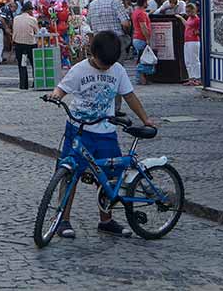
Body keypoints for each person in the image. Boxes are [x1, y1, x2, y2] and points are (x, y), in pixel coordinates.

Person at [46, 31, 156, 239]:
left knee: (108, 178)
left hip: (106, 132)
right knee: (69, 175)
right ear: (93, 52)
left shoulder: (118, 70)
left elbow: (129, 95)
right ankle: (62, 219)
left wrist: (145, 119)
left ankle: (106, 220)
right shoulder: (79, 70)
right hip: (78, 131)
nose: (106, 68)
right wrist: (55, 96)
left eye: (109, 64)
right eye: (102, 63)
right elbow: (62, 88)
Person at [13, 2, 39, 90]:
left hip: (18, 44)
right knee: (34, 64)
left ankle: (23, 84)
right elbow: (37, 32)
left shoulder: (16, 18)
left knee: (21, 65)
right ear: (29, 10)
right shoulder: (33, 19)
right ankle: (36, 82)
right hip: (30, 44)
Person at [131, 0, 152, 85]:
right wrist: (148, 38)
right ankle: (141, 79)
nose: (147, 4)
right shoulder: (142, 13)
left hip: (136, 37)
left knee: (139, 59)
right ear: (144, 3)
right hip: (141, 38)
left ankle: (139, 78)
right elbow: (143, 27)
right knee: (143, 60)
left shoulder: (136, 12)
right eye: (146, 2)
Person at [179, 3, 202, 86]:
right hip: (187, 41)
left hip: (193, 41)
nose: (188, 13)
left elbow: (200, 29)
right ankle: (191, 78)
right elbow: (187, 25)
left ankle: (198, 78)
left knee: (194, 60)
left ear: (194, 10)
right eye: (187, 11)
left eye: (189, 11)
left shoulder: (197, 19)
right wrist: (181, 18)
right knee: (188, 60)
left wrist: (197, 32)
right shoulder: (189, 18)